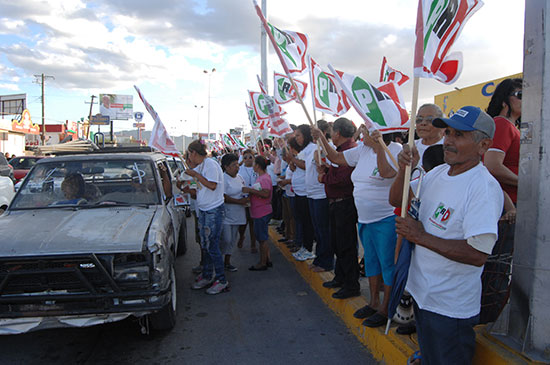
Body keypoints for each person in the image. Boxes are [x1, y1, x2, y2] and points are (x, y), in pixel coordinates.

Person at [389, 106, 504, 365]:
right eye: (448, 132)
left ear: (483, 145)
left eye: (459, 135)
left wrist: (421, 237)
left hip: (450, 308)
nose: (448, 140)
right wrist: (404, 170)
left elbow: (477, 254)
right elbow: (397, 199)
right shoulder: (439, 173)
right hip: (423, 295)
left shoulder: (482, 189)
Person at [318, 124, 401, 327]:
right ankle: (373, 302)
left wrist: (379, 147)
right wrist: (321, 137)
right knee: (371, 261)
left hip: (386, 219)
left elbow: (386, 172)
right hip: (365, 219)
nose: (361, 134)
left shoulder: (395, 150)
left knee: (387, 264)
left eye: (365, 132)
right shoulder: (362, 150)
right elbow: (336, 158)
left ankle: (386, 308)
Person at [312, 118, 360, 299]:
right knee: (338, 244)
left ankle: (351, 284)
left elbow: (343, 179)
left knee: (346, 245)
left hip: (344, 203)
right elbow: (336, 169)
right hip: (336, 203)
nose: (331, 135)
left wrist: (323, 178)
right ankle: (340, 278)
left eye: (332, 132)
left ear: (338, 133)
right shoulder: (340, 150)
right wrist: (326, 170)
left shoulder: (351, 150)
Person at [182, 140, 228, 295]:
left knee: (212, 246)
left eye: (189, 154)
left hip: (213, 211)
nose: (189, 157)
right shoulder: (202, 166)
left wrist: (195, 174)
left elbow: (212, 185)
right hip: (204, 210)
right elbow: (201, 187)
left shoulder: (210, 165)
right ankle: (208, 275)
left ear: (194, 152)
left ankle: (221, 280)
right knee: (205, 244)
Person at [295, 123, 333, 272]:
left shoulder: (320, 147)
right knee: (318, 230)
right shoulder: (309, 150)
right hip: (311, 194)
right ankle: (320, 259)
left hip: (320, 194)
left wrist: (321, 158)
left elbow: (326, 163)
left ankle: (327, 262)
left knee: (323, 231)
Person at [485, 78, 522, 222]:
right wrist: (526, 184)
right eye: (520, 95)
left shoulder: (512, 127)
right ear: (504, 101)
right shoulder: (502, 124)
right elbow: (492, 166)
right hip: (507, 206)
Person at [288, 132, 315, 261]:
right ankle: (304, 246)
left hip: (305, 192)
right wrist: (291, 162)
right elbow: (296, 169)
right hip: (298, 192)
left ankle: (308, 248)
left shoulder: (311, 149)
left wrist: (293, 159)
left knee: (307, 222)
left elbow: (306, 166)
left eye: (299, 134)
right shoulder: (303, 151)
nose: (297, 137)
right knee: (302, 221)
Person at [243, 156, 273, 271]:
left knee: (262, 239)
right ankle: (267, 259)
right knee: (262, 237)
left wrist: (250, 190)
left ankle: (262, 262)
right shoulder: (262, 177)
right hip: (259, 211)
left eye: (254, 163)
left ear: (258, 166)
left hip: (261, 212)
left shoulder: (264, 178)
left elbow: (265, 194)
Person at [220, 153, 248, 272]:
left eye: (237, 164)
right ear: (226, 167)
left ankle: (227, 261)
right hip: (226, 214)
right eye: (234, 165)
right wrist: (238, 201)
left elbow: (244, 191)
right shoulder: (223, 179)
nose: (237, 167)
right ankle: (218, 260)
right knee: (226, 238)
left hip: (238, 213)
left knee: (232, 239)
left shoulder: (240, 178)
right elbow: (223, 196)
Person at [237, 149, 258, 253]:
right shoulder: (239, 169)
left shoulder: (257, 169)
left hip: (254, 198)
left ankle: (253, 244)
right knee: (243, 222)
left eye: (250, 157)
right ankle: (241, 236)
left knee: (252, 222)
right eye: (245, 158)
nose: (248, 159)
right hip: (243, 199)